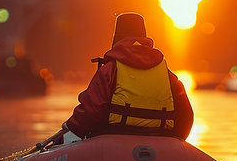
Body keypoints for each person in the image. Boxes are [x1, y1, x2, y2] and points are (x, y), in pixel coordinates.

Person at [62, 12, 193, 140]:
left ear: (117, 37)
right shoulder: (167, 74)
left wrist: (69, 129)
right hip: (161, 139)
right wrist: (176, 141)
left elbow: (90, 111)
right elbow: (186, 116)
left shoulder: (110, 70)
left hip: (114, 139)